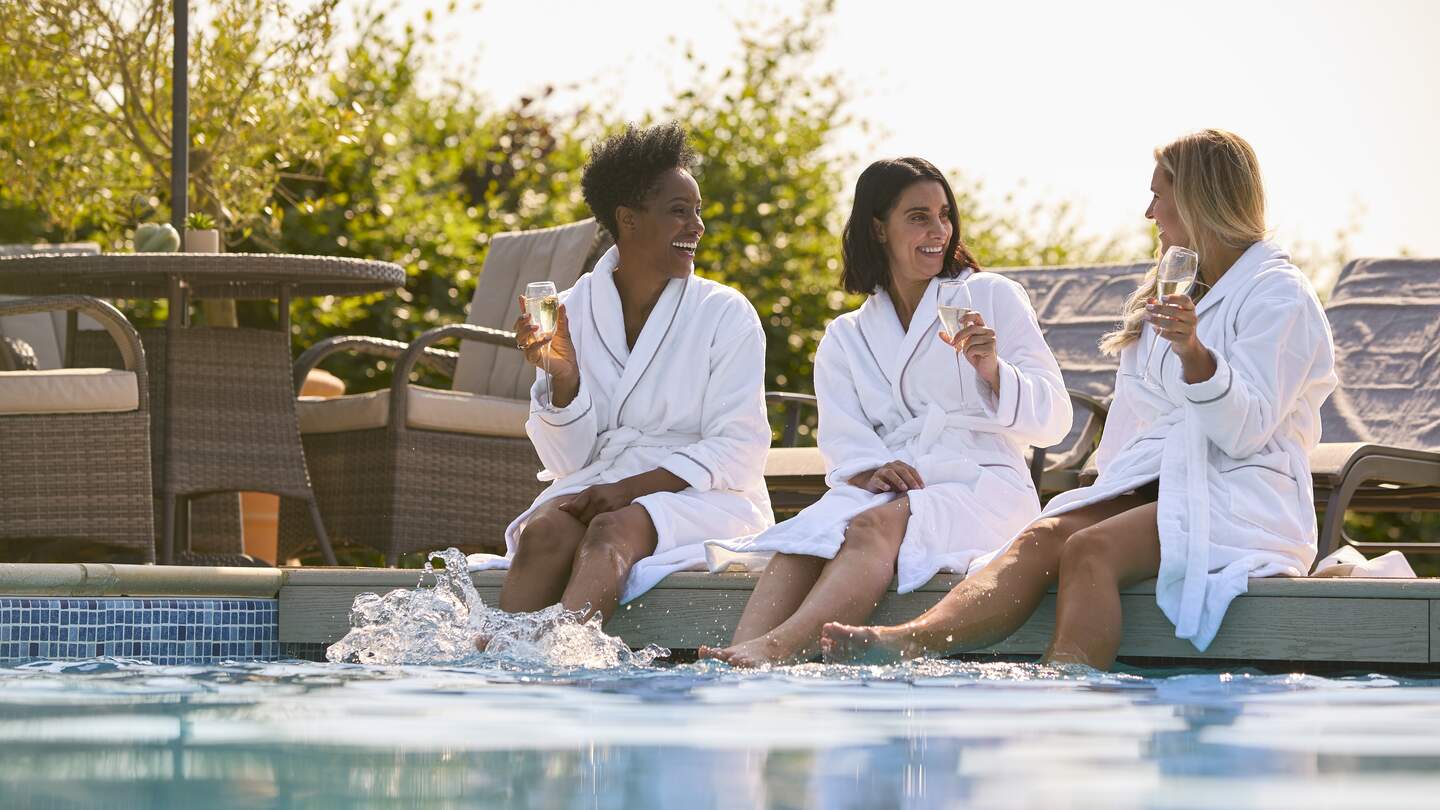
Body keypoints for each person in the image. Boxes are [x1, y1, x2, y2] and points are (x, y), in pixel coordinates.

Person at [821, 129, 1338, 670]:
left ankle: (1067, 687)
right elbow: (1134, 418)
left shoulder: (1280, 294)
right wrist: (1104, 486)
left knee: (1090, 549)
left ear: (1198, 200)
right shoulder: (1173, 289)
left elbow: (1246, 431)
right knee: (1043, 536)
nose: (1149, 212)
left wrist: (1193, 353)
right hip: (1160, 482)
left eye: (1158, 196)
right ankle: (911, 639)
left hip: (1242, 493)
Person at [699, 157, 1072, 666]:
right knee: (807, 535)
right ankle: (735, 656)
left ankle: (777, 649)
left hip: (984, 487)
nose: (938, 230)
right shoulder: (847, 336)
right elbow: (843, 440)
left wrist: (993, 370)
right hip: (897, 487)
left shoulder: (990, 296)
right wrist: (872, 469)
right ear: (878, 228)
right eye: (919, 217)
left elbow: (1056, 422)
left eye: (944, 215)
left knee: (870, 526)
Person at [471, 122, 774, 631]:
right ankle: (498, 665)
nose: (697, 226)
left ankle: (569, 661)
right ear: (628, 219)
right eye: (679, 211)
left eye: (697, 211)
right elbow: (566, 463)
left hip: (707, 497)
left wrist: (631, 489)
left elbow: (740, 448)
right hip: (603, 482)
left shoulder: (726, 313)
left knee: (611, 531)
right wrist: (564, 377)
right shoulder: (572, 311)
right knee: (544, 533)